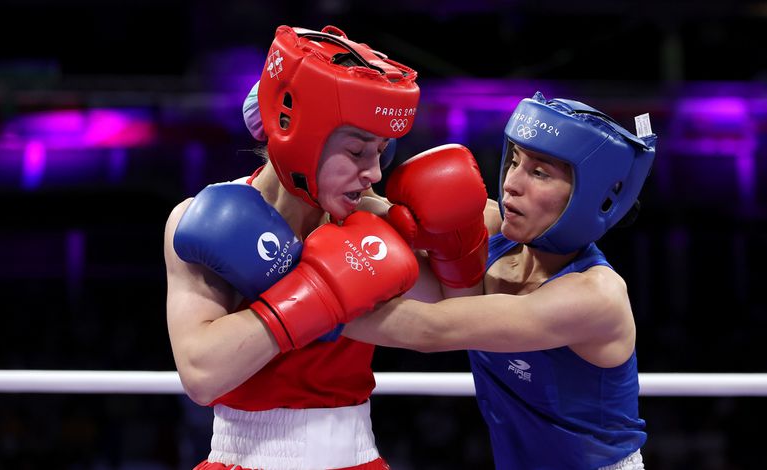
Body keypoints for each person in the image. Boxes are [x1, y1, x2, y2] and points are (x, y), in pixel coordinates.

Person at [163, 24, 489, 470]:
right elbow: (201, 375)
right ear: (300, 135)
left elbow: (454, 312)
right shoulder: (201, 221)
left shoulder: (376, 222)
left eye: (381, 151)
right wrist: (318, 290)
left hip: (358, 455)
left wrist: (460, 242)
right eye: (357, 152)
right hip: (240, 456)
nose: (374, 172)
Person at [344, 91, 657, 470]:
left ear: (593, 197)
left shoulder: (595, 295)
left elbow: (429, 329)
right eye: (514, 161)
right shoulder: (492, 232)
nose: (511, 183)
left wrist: (295, 306)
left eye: (539, 172)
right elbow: (376, 213)